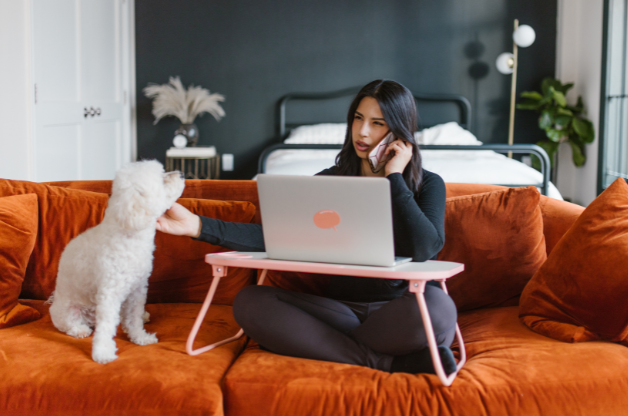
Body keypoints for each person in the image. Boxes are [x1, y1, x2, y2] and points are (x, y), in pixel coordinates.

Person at [156, 79, 457, 375]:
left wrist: (394, 178)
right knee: (251, 302)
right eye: (358, 118)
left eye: (377, 123)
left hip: (403, 310)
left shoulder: (428, 184)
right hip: (341, 312)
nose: (363, 132)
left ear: (400, 133)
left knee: (439, 308)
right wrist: (196, 225)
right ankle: (385, 362)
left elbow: (425, 248)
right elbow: (274, 236)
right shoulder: (329, 182)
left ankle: (315, 344)